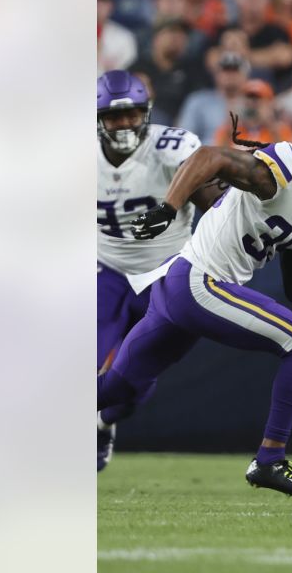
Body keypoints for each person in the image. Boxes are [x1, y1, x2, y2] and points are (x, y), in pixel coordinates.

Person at [99, 106, 292, 497]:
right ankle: (269, 460)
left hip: (185, 288)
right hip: (198, 283)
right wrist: (168, 207)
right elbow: (208, 157)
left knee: (115, 388)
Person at [96, 72, 218, 471]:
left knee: (134, 382)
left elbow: (211, 199)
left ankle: (103, 423)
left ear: (145, 113)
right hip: (106, 270)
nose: (124, 124)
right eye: (114, 117)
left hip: (167, 274)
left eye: (131, 114)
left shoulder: (171, 147)